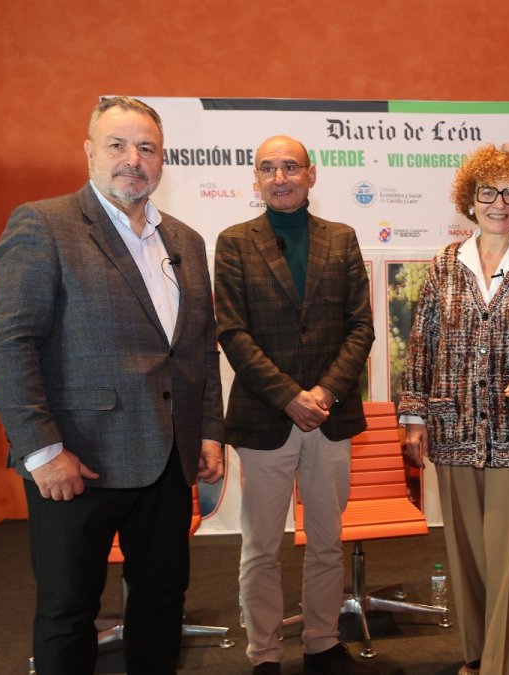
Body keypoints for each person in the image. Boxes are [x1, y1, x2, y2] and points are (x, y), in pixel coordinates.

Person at [0, 96, 225, 674]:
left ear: (162, 159)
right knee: (69, 612)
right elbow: (7, 344)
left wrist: (209, 431)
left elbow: (198, 347)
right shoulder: (44, 225)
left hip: (168, 461)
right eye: (118, 145)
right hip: (77, 463)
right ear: (90, 151)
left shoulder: (186, 240)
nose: (133, 159)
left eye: (147, 148)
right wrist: (43, 451)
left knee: (161, 603)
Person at [398, 143, 509, 675]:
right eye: (488, 192)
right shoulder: (443, 264)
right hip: (453, 427)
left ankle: (506, 666)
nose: (499, 203)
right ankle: (478, 657)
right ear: (470, 200)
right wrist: (414, 416)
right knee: (468, 554)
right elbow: (422, 343)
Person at [214, 135, 376, 675]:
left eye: (290, 167)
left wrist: (325, 392)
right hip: (265, 418)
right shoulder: (234, 243)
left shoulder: (342, 238)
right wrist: (288, 397)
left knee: (327, 542)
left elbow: (361, 327)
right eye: (268, 168)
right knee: (261, 547)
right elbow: (233, 333)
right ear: (256, 179)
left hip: (330, 417)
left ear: (311, 174)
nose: (279, 177)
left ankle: (322, 643)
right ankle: (263, 654)